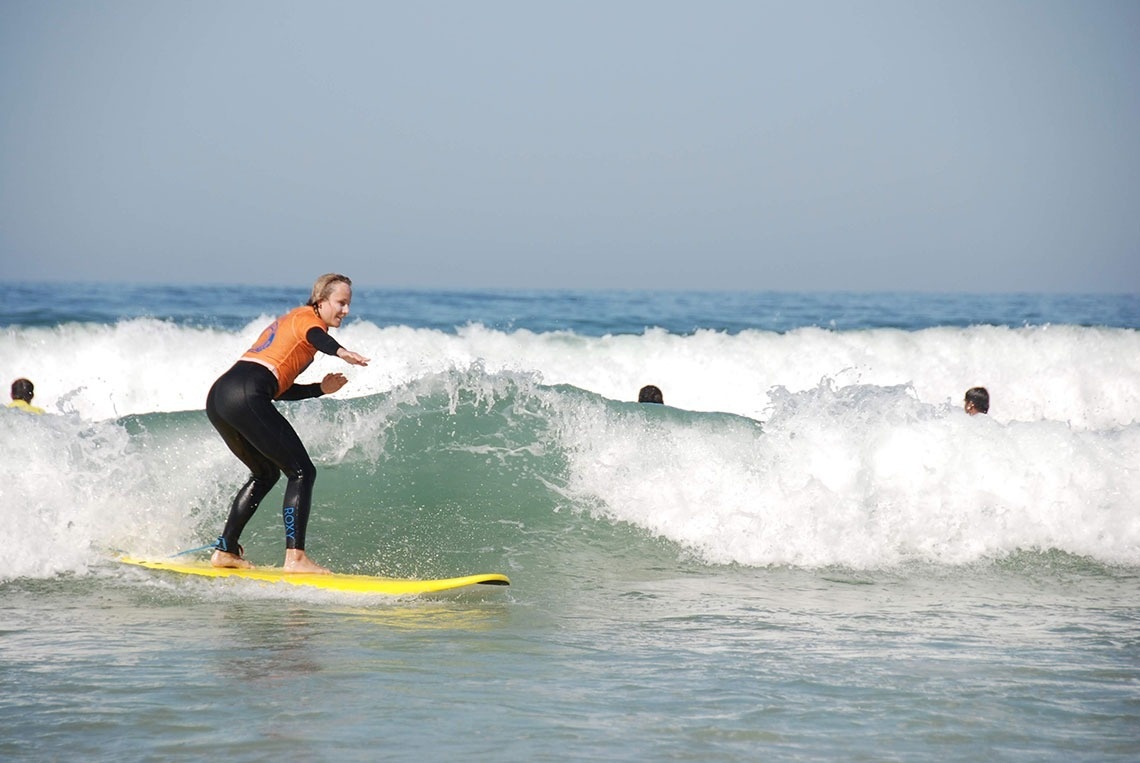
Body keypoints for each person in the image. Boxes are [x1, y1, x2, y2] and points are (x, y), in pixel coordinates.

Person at [206, 274, 370, 574]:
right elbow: (316, 338)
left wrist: (319, 389)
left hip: (221, 396)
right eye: (341, 303)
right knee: (302, 471)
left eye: (348, 304)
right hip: (245, 393)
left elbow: (275, 388)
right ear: (321, 301)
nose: (346, 310)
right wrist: (341, 352)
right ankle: (296, 559)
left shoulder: (291, 322)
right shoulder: (309, 320)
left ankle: (226, 550)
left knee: (265, 473)